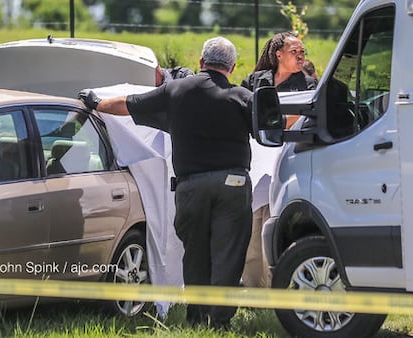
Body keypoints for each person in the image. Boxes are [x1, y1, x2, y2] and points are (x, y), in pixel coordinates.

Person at [78, 36, 253, 329]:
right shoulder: (242, 97)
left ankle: (197, 317)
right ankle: (219, 322)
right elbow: (271, 128)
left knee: (195, 252)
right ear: (232, 68)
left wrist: (96, 101)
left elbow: (128, 105)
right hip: (233, 184)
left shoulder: (176, 90)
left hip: (190, 186)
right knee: (228, 252)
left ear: (200, 62)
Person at [239, 32, 317, 289]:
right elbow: (242, 112)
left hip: (285, 161)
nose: (300, 56)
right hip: (254, 163)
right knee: (251, 229)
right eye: (295, 51)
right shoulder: (255, 81)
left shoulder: (307, 85)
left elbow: (302, 118)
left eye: (302, 52)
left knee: (272, 226)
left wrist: (273, 123)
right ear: (278, 55)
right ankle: (251, 288)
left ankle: (276, 290)